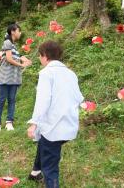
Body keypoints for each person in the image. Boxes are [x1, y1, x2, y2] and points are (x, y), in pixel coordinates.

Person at [27, 41, 84, 188]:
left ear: (45, 56)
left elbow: (42, 101)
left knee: (51, 167)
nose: (40, 59)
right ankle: (35, 172)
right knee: (44, 143)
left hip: (54, 127)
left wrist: (34, 124)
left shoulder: (46, 73)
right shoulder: (71, 74)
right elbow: (79, 98)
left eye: (40, 56)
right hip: (69, 125)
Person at [0, 23, 32, 132]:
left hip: (14, 78)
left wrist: (24, 59)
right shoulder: (7, 43)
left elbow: (16, 57)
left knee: (12, 100)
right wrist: (22, 65)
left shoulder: (14, 46)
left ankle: (9, 122)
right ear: (13, 32)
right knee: (1, 99)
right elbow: (9, 59)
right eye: (19, 31)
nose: (20, 33)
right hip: (5, 77)